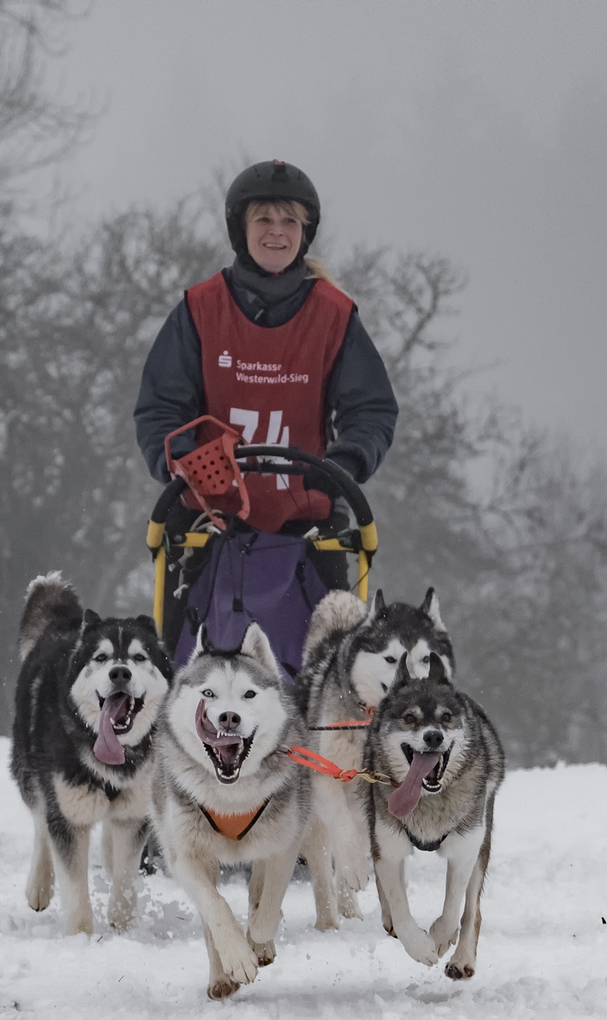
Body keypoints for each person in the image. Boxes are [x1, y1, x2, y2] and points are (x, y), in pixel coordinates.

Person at [134, 160, 398, 652]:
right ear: (242, 228)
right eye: (264, 221)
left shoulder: (334, 316)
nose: (276, 233)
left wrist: (345, 462)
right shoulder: (199, 309)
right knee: (179, 663)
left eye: (289, 222)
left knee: (329, 670)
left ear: (305, 233)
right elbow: (160, 407)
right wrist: (184, 461)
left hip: (308, 522)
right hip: (208, 521)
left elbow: (372, 409)